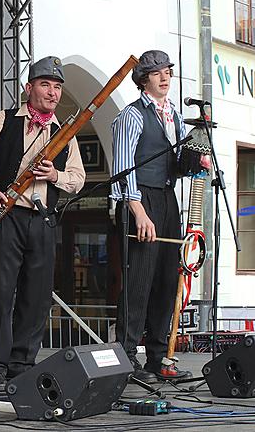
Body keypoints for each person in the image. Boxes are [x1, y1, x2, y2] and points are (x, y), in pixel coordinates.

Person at [0, 56, 86, 392]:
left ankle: (22, 365)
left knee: (37, 297)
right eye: (45, 84)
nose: (52, 93)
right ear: (29, 88)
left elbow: (77, 179)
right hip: (6, 218)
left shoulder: (65, 134)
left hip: (42, 221)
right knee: (0, 294)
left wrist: (56, 175)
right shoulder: (4, 120)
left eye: (57, 87)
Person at [110, 50, 193, 383]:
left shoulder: (174, 114)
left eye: (168, 71)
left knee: (165, 280)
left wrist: (192, 160)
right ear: (144, 78)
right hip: (139, 199)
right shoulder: (132, 115)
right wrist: (139, 211)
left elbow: (174, 165)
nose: (165, 77)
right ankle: (126, 358)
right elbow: (122, 167)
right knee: (138, 282)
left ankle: (157, 359)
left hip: (167, 198)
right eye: (157, 72)